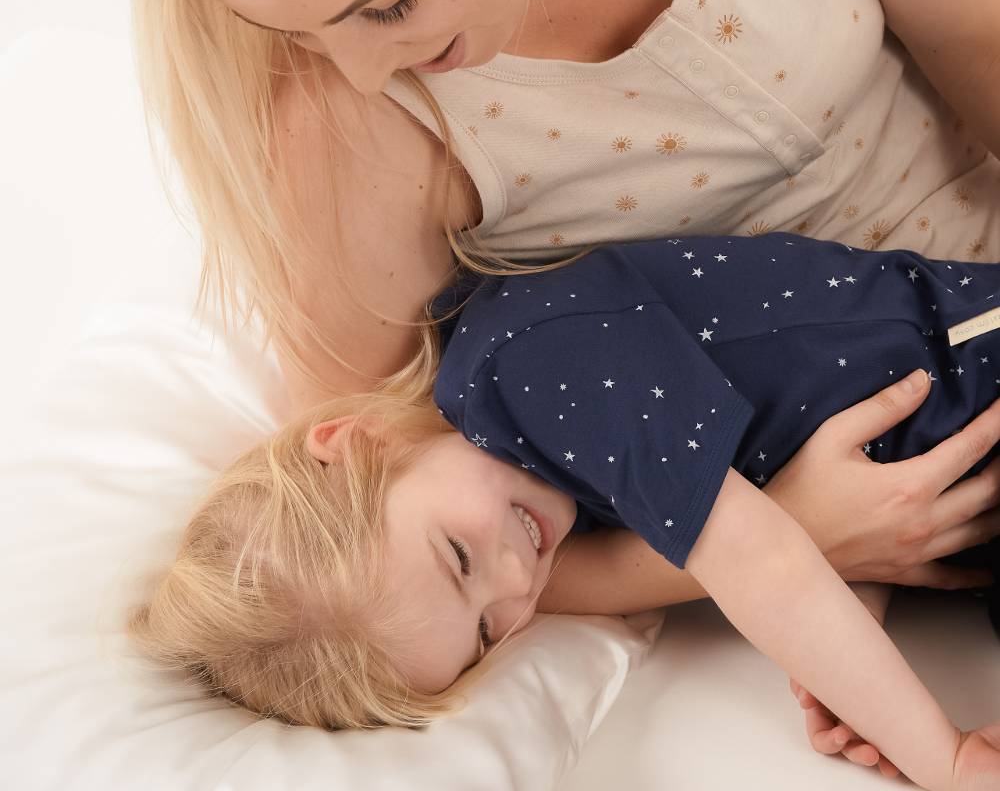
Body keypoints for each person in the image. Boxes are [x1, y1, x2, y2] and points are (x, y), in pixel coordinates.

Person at [115, 0, 1000, 774]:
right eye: (305, 32)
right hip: (918, 458)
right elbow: (377, 547)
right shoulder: (342, 126)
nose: (362, 71)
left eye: (388, 3)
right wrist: (798, 546)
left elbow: (983, 42)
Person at [129, 230, 1000, 787]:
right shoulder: (552, 479)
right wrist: (851, 655)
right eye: (484, 634)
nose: (519, 585)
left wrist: (942, 756)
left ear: (358, 442)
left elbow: (762, 557)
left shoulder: (529, 370)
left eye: (458, 560)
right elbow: (800, 482)